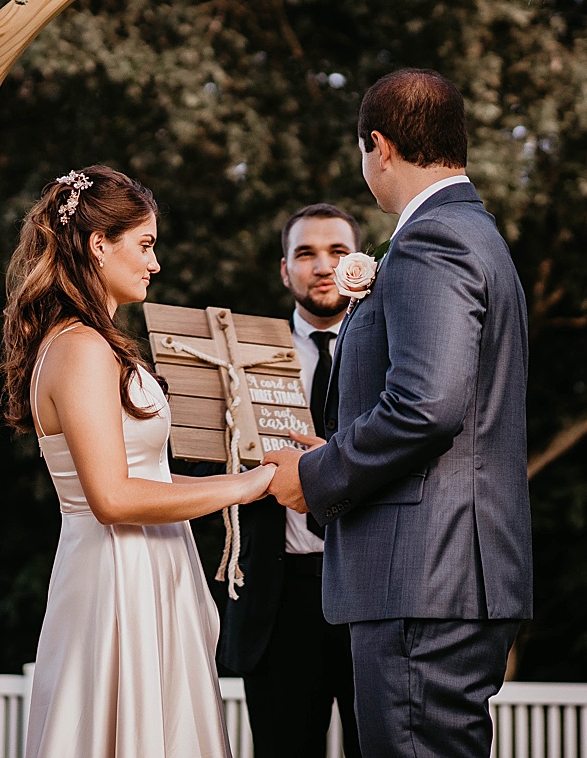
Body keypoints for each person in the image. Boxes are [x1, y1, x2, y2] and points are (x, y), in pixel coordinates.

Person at [264, 69, 533, 758]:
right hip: (445, 575)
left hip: (422, 579)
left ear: (378, 146)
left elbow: (424, 405)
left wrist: (319, 472)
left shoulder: (430, 241)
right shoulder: (474, 232)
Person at [0, 165, 277, 758]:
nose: (155, 264)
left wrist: (249, 480)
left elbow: (144, 477)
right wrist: (243, 490)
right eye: (145, 245)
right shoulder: (79, 348)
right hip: (116, 575)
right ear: (99, 245)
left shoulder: (94, 343)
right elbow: (113, 498)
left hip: (150, 564)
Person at [217, 204, 364, 758]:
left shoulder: (396, 351)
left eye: (337, 252)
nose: (322, 266)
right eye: (306, 254)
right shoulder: (242, 358)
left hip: (369, 588)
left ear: (362, 266)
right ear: (285, 270)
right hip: (280, 597)